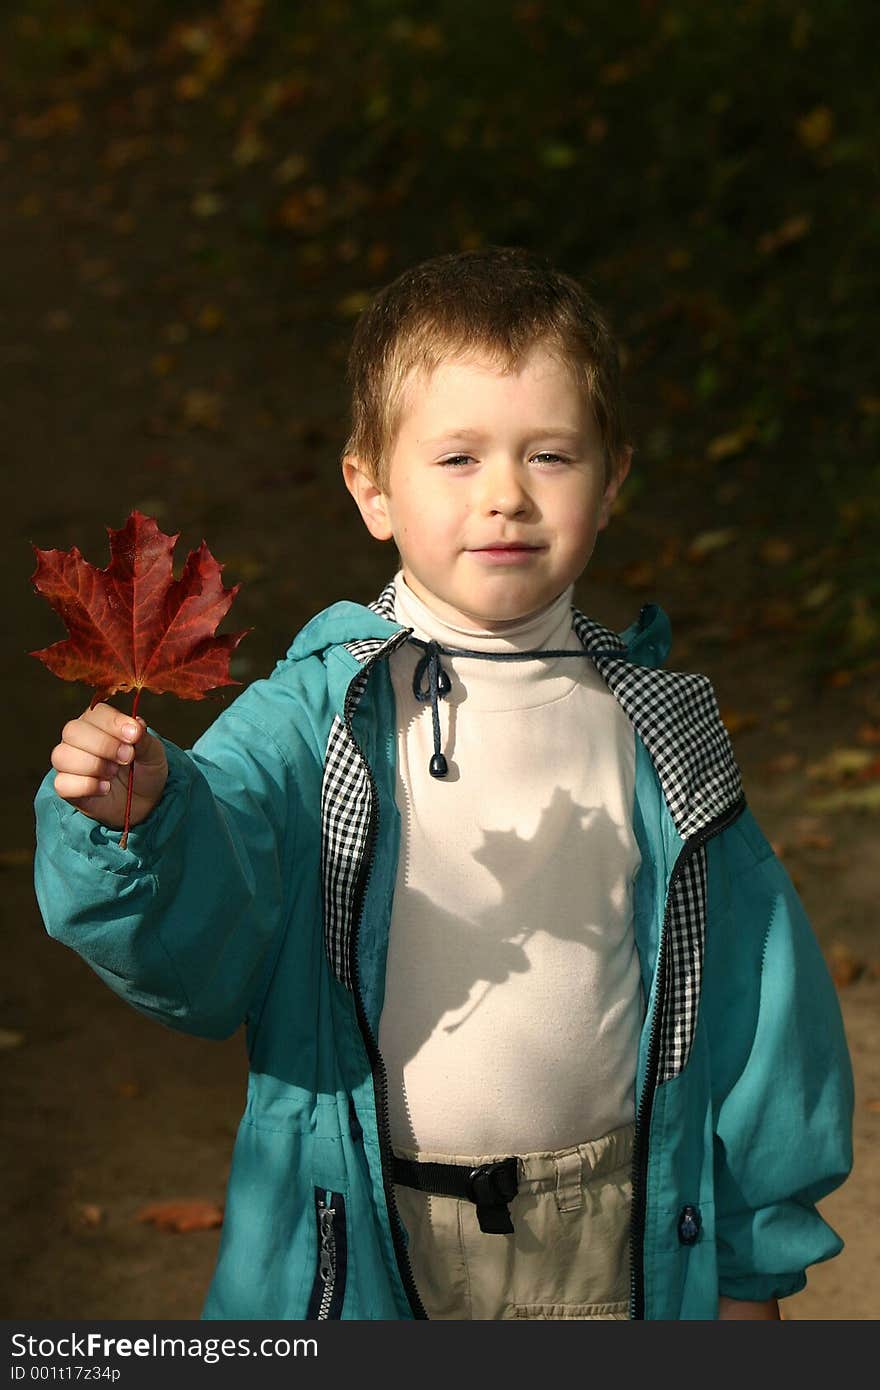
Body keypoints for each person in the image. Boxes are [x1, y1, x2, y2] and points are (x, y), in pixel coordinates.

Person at [34, 247, 853, 1321]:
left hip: (616, 1235)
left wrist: (751, 1271)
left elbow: (757, 1009)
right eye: (457, 458)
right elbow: (200, 937)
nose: (506, 495)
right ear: (370, 488)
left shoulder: (659, 731)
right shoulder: (312, 721)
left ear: (611, 484)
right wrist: (140, 822)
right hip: (370, 1236)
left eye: (550, 455)